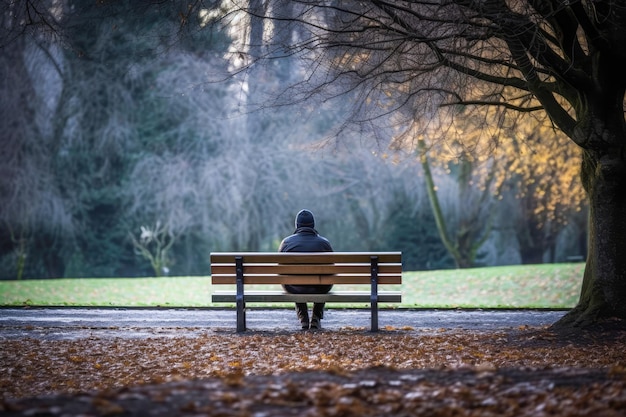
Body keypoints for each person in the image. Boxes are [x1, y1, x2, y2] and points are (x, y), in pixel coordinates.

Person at [279, 209, 333, 330]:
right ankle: (315, 319)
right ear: (313, 225)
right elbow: (331, 269)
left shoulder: (287, 242)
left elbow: (280, 269)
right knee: (324, 280)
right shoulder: (324, 243)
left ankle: (304, 319)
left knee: (294, 279)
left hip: (294, 287)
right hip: (319, 287)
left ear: (297, 225)